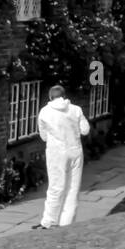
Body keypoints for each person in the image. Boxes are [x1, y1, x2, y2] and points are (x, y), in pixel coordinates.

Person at [34, 85, 90, 230]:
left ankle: (48, 221)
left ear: (50, 97)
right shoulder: (76, 109)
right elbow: (85, 130)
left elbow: (44, 137)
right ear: (64, 96)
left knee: (55, 187)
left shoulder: (44, 112)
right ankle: (66, 223)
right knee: (72, 188)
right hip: (75, 151)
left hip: (56, 153)